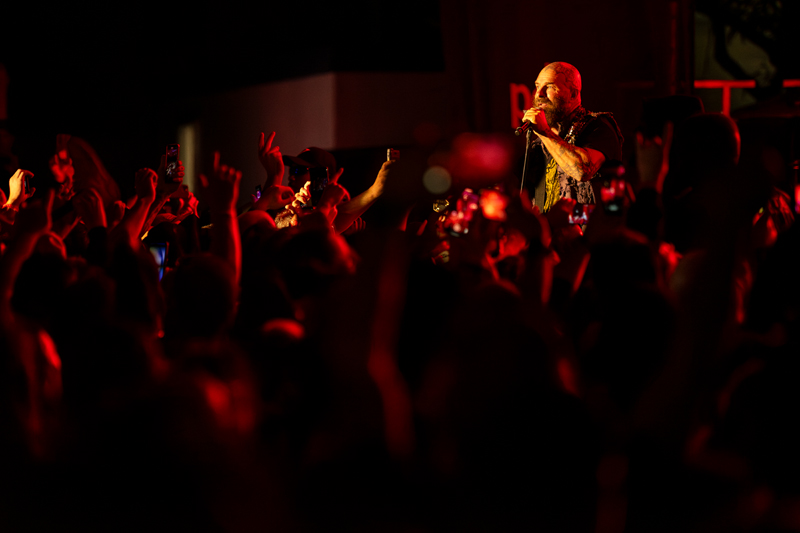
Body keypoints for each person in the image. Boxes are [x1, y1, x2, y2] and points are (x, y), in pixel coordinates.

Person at [519, 62, 623, 213]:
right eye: (537, 86)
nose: (539, 93)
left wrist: (545, 132)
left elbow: (583, 171)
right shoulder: (538, 145)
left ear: (573, 94)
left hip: (592, 226)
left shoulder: (598, 126)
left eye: (550, 87)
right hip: (553, 228)